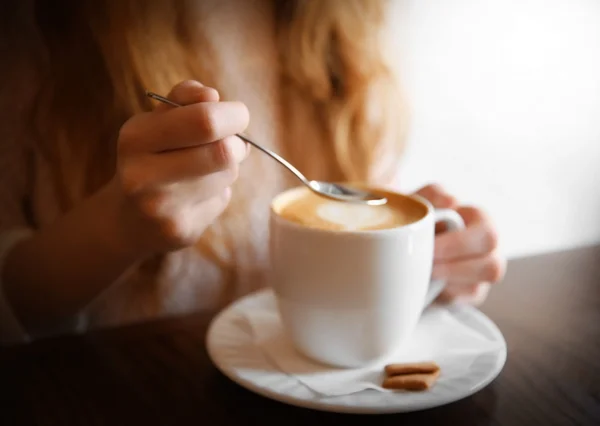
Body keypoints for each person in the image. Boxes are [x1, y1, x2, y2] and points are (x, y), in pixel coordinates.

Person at [0, 0, 505, 344]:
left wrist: (427, 265)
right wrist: (117, 228)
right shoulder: (33, 34)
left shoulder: (347, 25)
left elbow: (362, 209)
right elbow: (15, 304)